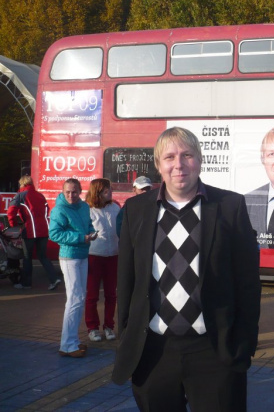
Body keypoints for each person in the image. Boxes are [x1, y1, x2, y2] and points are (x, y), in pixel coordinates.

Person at [112, 127, 261, 411]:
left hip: (214, 351)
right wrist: (126, 341)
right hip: (153, 352)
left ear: (199, 160)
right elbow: (127, 282)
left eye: (187, 155)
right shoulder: (136, 210)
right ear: (158, 166)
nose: (178, 164)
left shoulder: (230, 206)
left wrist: (243, 346)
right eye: (169, 157)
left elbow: (248, 284)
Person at [49, 178, 97, 358]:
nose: (71, 195)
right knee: (75, 299)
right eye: (67, 192)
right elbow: (54, 234)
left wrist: (91, 233)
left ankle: (73, 341)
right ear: (63, 192)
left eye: (74, 191)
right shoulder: (59, 209)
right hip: (69, 257)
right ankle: (67, 345)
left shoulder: (84, 207)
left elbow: (88, 225)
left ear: (80, 191)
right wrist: (81, 238)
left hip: (82, 255)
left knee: (79, 298)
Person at [7, 175, 61, 290]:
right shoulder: (40, 195)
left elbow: (11, 211)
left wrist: (14, 226)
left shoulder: (20, 195)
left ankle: (26, 283)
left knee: (27, 257)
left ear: (22, 184)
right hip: (43, 230)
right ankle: (54, 279)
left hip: (30, 230)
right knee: (43, 256)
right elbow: (47, 210)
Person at [85, 178, 120, 342]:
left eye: (110, 189)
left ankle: (109, 326)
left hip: (114, 255)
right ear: (97, 192)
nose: (110, 192)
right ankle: (92, 328)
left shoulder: (115, 207)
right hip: (94, 256)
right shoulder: (88, 209)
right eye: (106, 190)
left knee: (111, 294)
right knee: (92, 295)